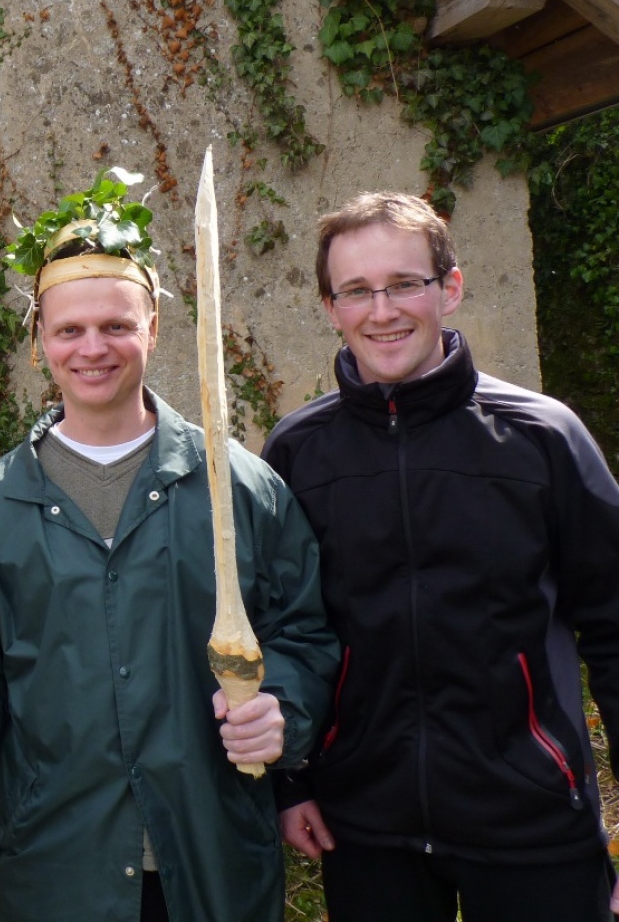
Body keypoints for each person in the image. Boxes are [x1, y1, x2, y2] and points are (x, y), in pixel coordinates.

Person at [0, 183, 339, 922]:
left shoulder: (236, 489)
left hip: (213, 853)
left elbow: (303, 631)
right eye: (70, 329)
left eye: (116, 325)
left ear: (153, 328)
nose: (92, 349)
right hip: (60, 864)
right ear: (39, 339)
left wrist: (282, 703)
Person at [262, 191, 619, 922]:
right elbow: (280, 626)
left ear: (449, 288)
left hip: (533, 818)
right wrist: (290, 782)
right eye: (356, 290)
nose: (382, 311)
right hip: (366, 827)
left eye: (404, 284)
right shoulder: (298, 453)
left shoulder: (542, 438)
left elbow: (615, 625)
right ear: (331, 307)